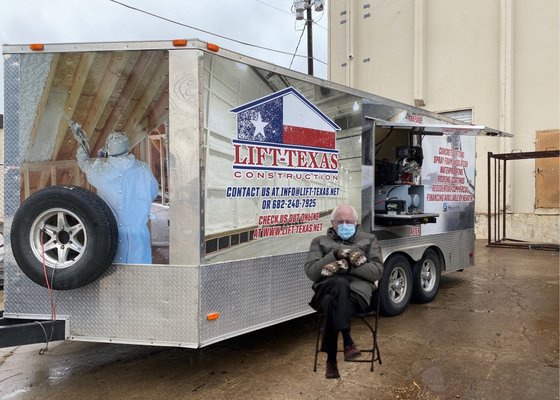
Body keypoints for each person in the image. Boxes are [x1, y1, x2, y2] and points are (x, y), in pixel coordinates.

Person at [304, 204, 383, 379]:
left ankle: (331, 360)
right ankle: (347, 341)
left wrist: (346, 267)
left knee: (333, 297)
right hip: (325, 289)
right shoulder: (319, 242)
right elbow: (312, 272)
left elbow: (377, 271)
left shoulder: (369, 240)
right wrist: (335, 255)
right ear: (333, 223)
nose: (345, 224)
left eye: (349, 221)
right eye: (340, 222)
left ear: (356, 223)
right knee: (337, 285)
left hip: (356, 296)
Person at [69, 121, 159, 264]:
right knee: (141, 275)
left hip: (112, 236)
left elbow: (84, 163)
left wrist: (81, 144)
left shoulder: (102, 171)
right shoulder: (143, 169)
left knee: (114, 276)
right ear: (128, 147)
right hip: (139, 235)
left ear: (109, 149)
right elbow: (154, 192)